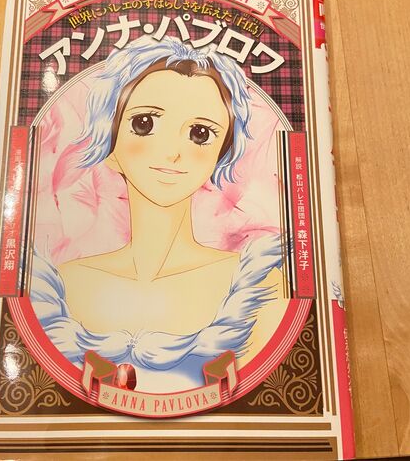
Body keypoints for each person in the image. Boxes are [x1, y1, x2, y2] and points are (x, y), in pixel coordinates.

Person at [30, 35, 286, 393]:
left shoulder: (256, 286)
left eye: (200, 133)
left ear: (219, 154)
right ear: (110, 146)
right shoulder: (62, 286)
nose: (172, 152)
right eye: (144, 124)